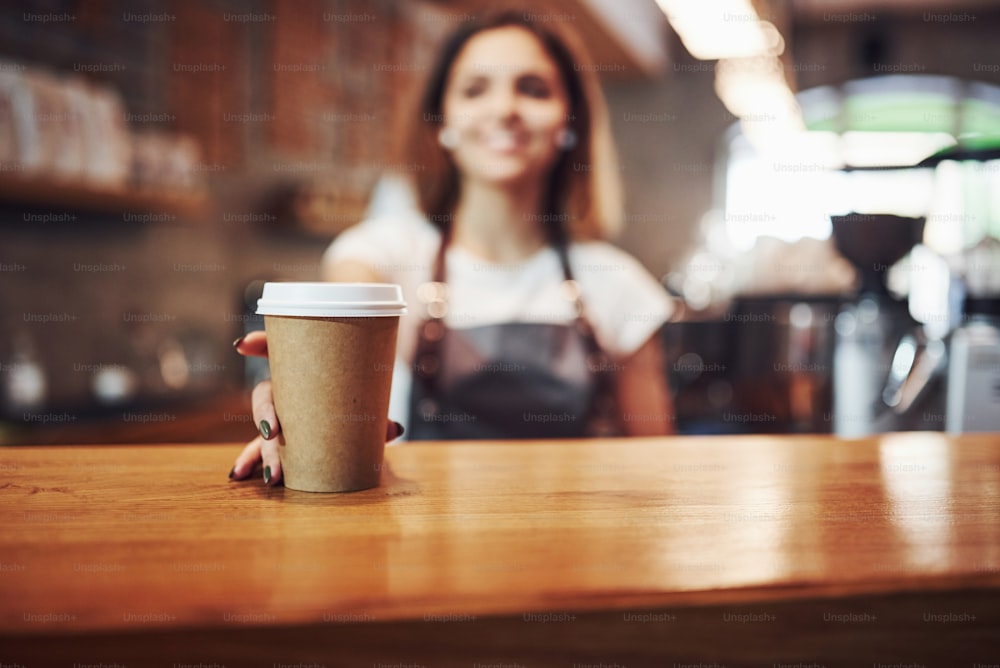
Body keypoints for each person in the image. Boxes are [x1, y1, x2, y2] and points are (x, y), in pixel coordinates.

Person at [230, 11, 675, 486]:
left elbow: (657, 469)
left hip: (576, 549)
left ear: (570, 122)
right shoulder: (380, 256)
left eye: (533, 88)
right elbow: (342, 338)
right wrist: (304, 396)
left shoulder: (619, 284)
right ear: (440, 121)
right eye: (475, 88)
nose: (505, 108)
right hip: (424, 548)